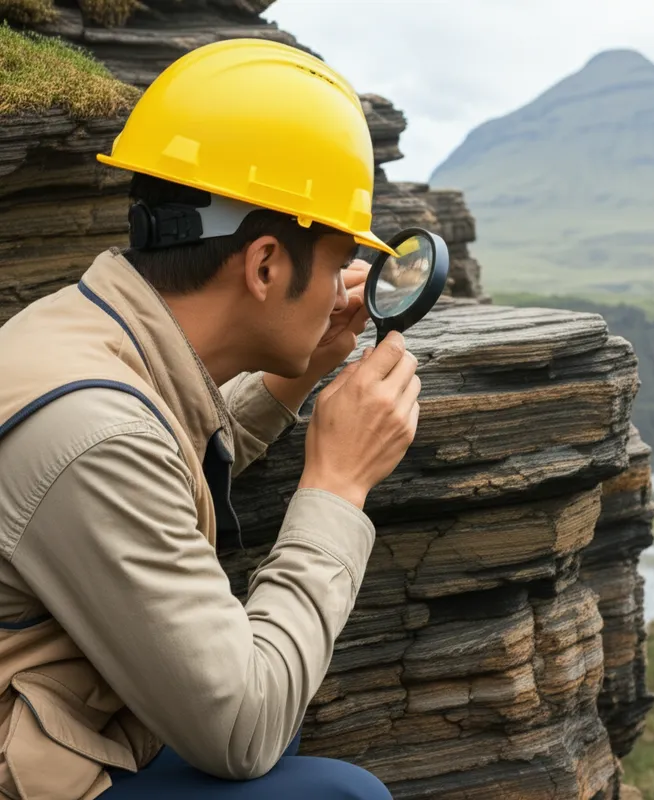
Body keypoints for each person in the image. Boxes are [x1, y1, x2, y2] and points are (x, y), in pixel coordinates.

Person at [0, 38, 421, 799]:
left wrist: (298, 377)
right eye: (334, 264)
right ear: (265, 266)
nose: (340, 291)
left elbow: (163, 444)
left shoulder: (83, 330)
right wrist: (337, 482)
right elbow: (241, 732)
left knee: (276, 688)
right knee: (341, 794)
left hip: (52, 698)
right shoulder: (95, 433)